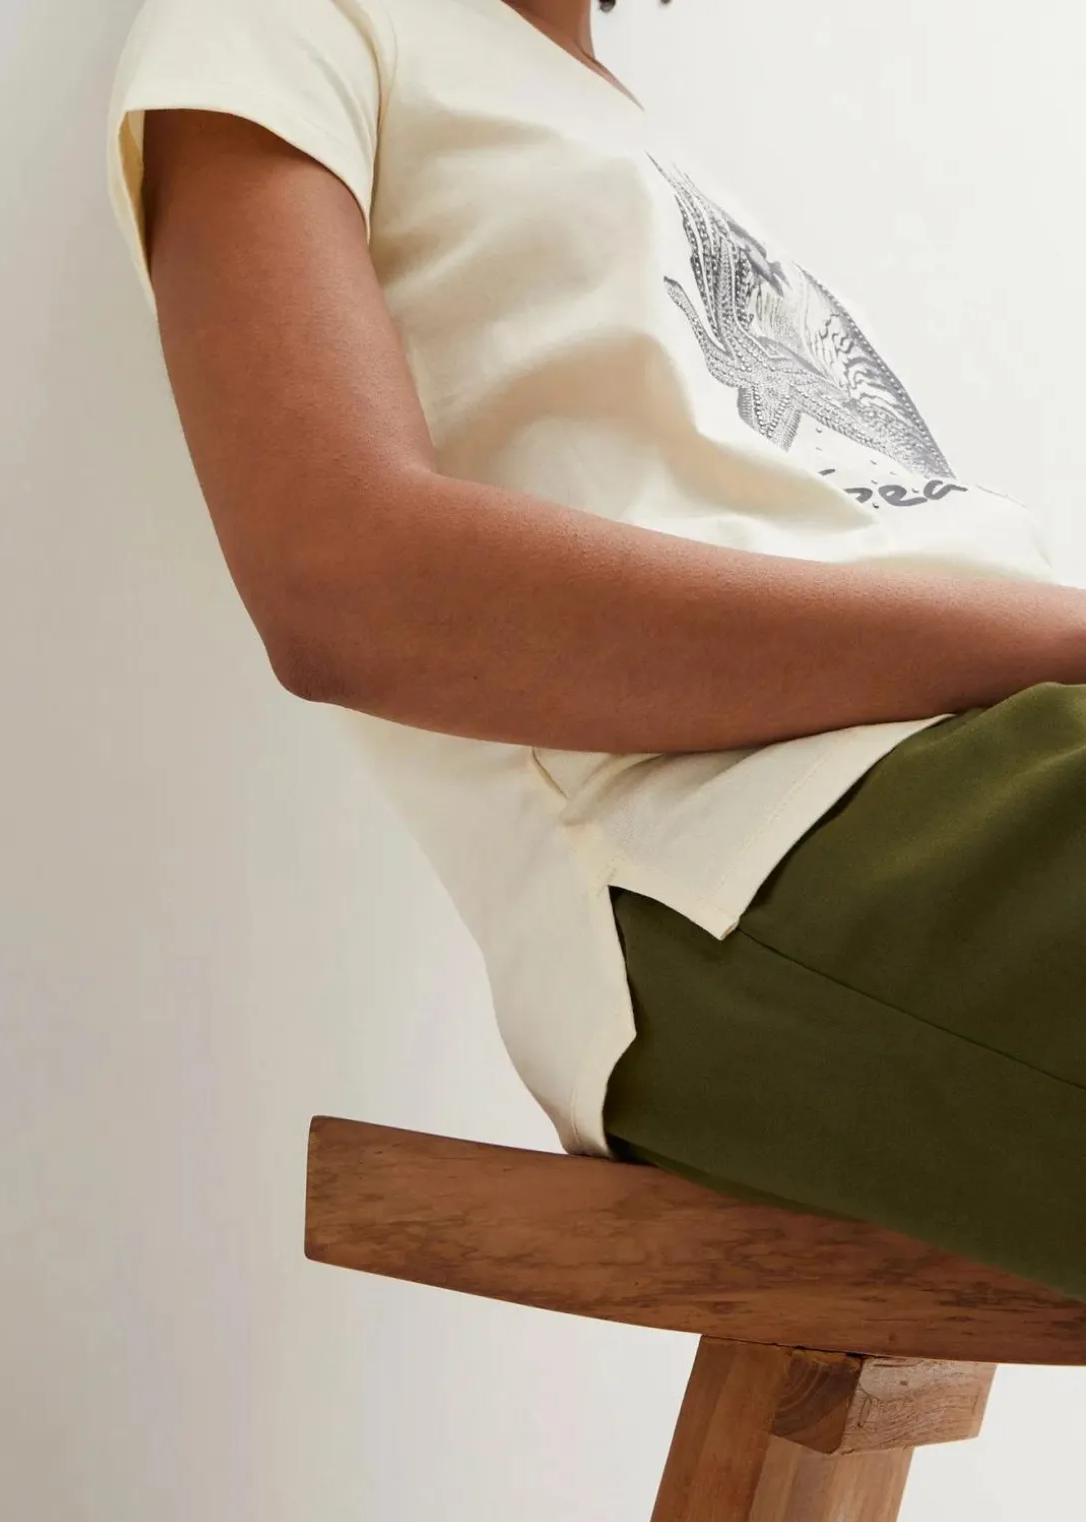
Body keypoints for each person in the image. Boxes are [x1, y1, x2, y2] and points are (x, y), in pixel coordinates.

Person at [105, 0, 1086, 1301]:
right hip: (750, 855)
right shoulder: (293, 20)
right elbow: (347, 581)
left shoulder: (619, 126)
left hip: (969, 769)